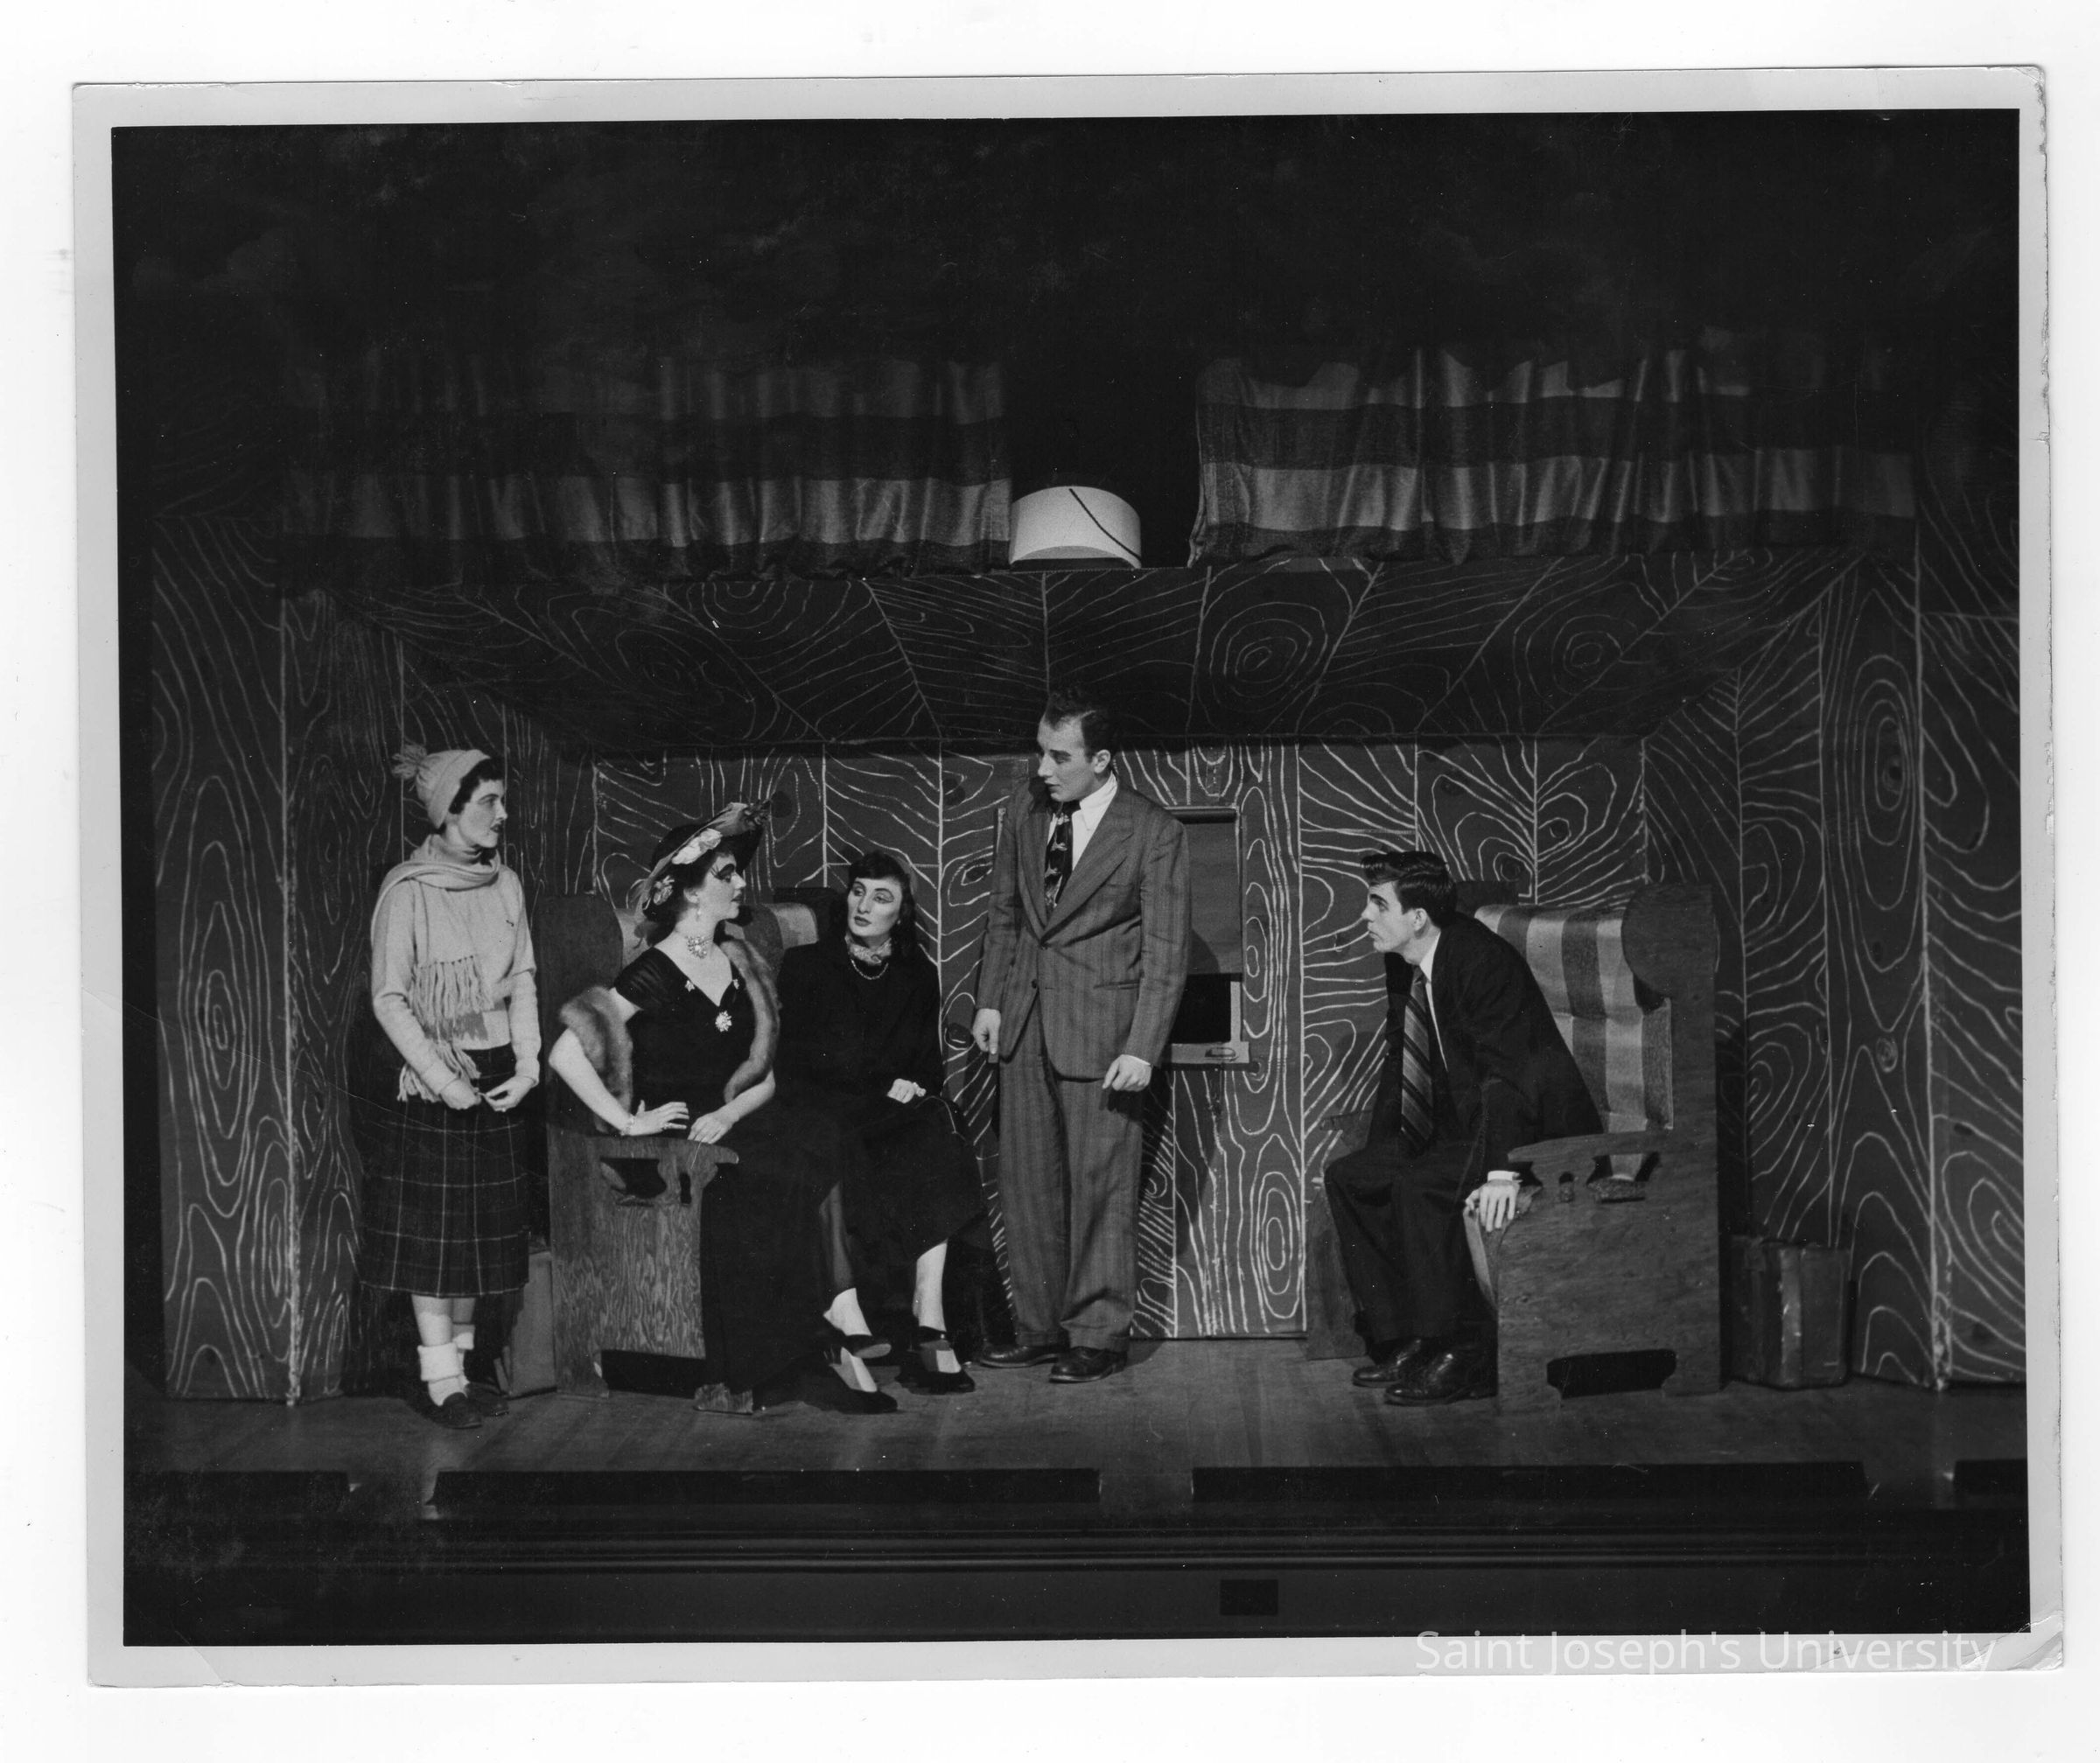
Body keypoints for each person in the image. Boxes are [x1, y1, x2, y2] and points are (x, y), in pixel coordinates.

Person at [547, 808, 895, 1415]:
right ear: (689, 891)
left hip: (732, 1118)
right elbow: (563, 1053)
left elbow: (766, 1076)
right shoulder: (654, 969)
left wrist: (732, 1115)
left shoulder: (739, 959)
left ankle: (838, 1311)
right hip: (683, 1141)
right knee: (775, 1166)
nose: (741, 884)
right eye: (727, 874)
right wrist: (629, 1123)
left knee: (825, 1134)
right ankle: (811, 1338)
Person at [1323, 850, 1602, 1406]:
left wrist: (1503, 1173)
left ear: (1418, 917)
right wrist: (1390, 1146)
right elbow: (1403, 1060)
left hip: (1530, 1132)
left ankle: (1463, 1349)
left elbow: (1510, 1076)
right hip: (1459, 1126)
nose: (1365, 916)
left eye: (1378, 904)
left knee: (1421, 1186)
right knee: (1353, 1177)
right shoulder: (1407, 959)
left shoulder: (1480, 961)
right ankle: (1406, 1336)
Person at [970, 692, 1191, 1384]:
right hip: (1023, 1024)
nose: (1042, 769)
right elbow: (1004, 914)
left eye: (1058, 756)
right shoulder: (1025, 810)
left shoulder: (1153, 830)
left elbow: (1167, 951)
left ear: (1101, 760)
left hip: (1104, 1037)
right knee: (1027, 1186)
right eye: (1040, 751)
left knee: (1102, 1189)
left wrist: (1143, 1046)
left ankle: (1097, 1336)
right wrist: (990, 1000)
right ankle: (1039, 1329)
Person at [360, 745, 539, 1430]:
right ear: (450, 809)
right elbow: (388, 997)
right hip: (438, 1076)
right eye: (489, 801)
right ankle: (441, 1381)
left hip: (498, 1073)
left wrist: (527, 1067)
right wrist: (441, 1080)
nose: (502, 813)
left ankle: (461, 1373)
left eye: (502, 799)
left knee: (479, 1237)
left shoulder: (506, 883)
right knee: (436, 1242)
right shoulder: (408, 890)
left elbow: (522, 980)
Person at [777, 850, 985, 1396]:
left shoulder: (918, 972)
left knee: (940, 1122)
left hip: (885, 1110)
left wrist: (912, 1084)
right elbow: (796, 1065)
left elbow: (928, 1067)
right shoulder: (806, 965)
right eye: (858, 892)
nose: (864, 906)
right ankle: (888, 1328)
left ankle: (929, 1319)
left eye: (881, 897)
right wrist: (878, 1083)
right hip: (824, 1107)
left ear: (901, 912)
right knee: (856, 1135)